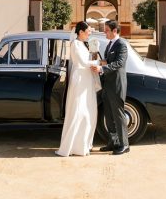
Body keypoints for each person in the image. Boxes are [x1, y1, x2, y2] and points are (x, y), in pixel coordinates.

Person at [55, 21, 100, 157]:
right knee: (78, 111)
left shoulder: (83, 44)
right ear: (80, 32)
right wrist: (98, 63)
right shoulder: (75, 44)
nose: (89, 34)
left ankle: (83, 145)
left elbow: (89, 59)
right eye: (87, 32)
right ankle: (73, 146)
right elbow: (82, 62)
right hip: (80, 79)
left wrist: (95, 53)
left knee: (88, 112)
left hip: (86, 79)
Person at [93, 20, 129, 155]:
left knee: (118, 115)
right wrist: (100, 62)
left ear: (115, 31)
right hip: (107, 85)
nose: (104, 32)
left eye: (107, 30)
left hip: (116, 85)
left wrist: (102, 67)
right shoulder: (109, 45)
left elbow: (119, 63)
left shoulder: (121, 45)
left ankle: (124, 144)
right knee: (108, 116)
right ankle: (113, 142)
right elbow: (109, 61)